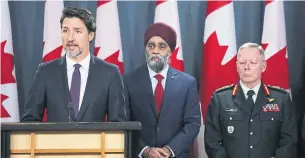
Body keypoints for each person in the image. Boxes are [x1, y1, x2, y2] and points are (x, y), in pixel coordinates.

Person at [21, 6, 126, 122]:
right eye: (65, 31)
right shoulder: (45, 72)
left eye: (77, 31)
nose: (70, 38)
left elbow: (118, 126)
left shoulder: (110, 73)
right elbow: (30, 120)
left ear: (91, 35)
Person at [204, 42, 298, 158]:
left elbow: (289, 142)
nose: (246, 67)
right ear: (237, 66)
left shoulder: (281, 99)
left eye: (252, 63)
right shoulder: (220, 99)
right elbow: (212, 142)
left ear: (263, 66)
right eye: (242, 63)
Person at [123, 22, 201, 158]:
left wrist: (169, 150)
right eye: (151, 46)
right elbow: (123, 122)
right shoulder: (128, 81)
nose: (155, 51)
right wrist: (145, 150)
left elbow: (192, 123)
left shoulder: (187, 83)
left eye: (162, 46)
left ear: (170, 50)